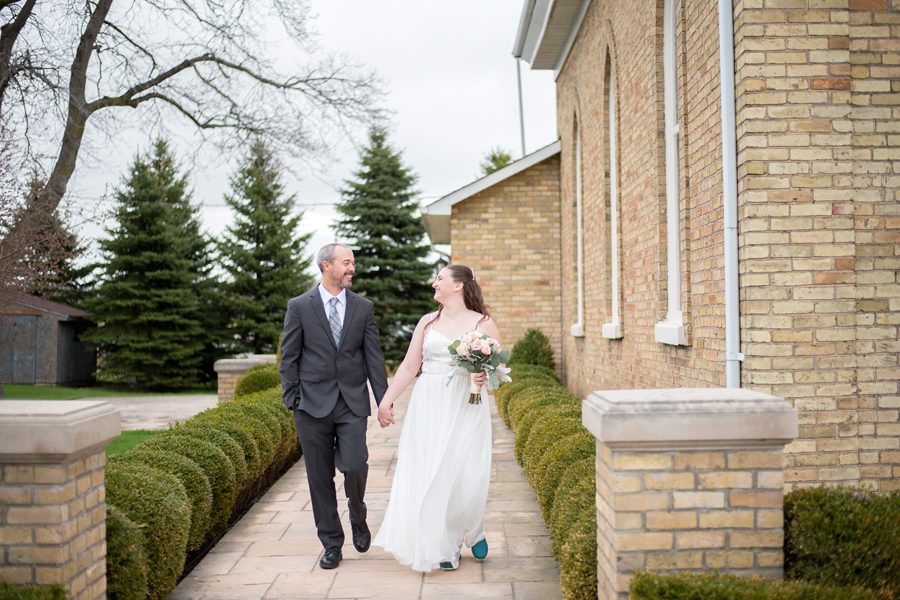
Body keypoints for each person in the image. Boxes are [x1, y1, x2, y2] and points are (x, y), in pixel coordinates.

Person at [372, 264, 500, 572]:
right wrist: (386, 401)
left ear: (458, 286)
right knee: (432, 472)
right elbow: (408, 366)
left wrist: (484, 373)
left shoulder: (483, 323)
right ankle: (446, 542)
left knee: (467, 474)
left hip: (465, 403)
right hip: (428, 403)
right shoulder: (428, 322)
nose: (434, 284)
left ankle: (473, 528)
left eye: (440, 278)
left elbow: (497, 370)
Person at [279, 243, 389, 570]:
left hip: (352, 402)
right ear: (327, 266)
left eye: (353, 262)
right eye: (346, 262)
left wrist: (383, 401)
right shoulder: (299, 306)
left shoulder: (363, 308)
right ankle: (331, 542)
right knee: (319, 477)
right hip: (310, 406)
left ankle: (358, 514)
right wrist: (292, 398)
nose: (351, 268)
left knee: (355, 464)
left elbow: (374, 357)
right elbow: (290, 356)